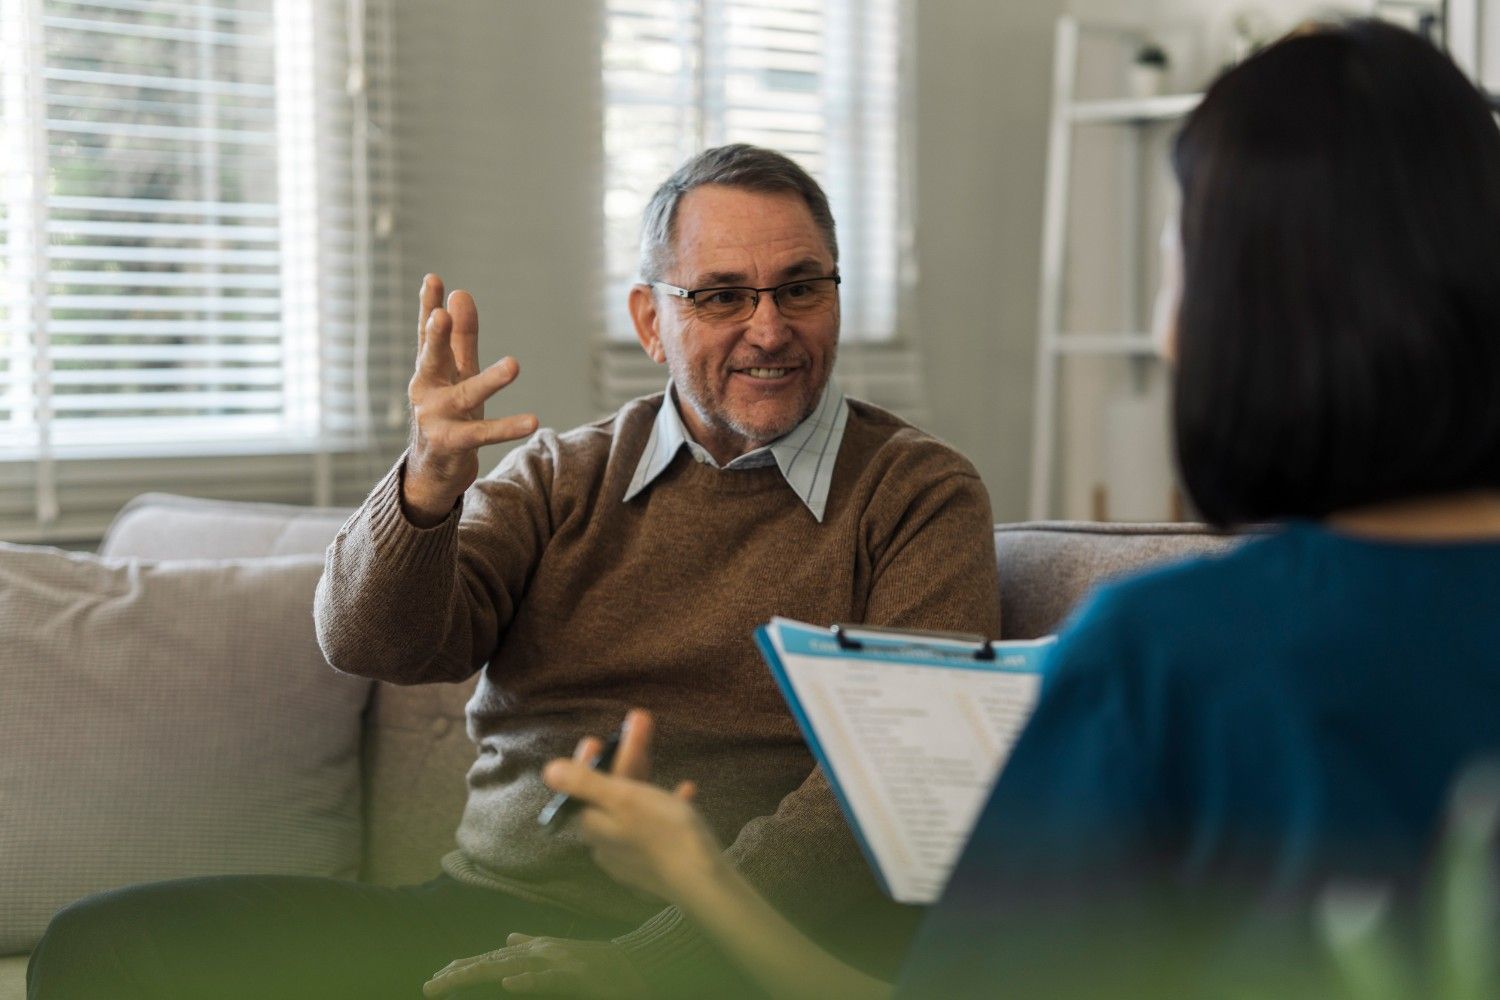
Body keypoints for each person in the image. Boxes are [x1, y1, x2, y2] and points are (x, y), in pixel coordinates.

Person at [504, 20, 1500, 1000]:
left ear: (1239, 318)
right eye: (722, 295)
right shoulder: (564, 474)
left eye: (1174, 263)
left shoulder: (1172, 660)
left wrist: (700, 883)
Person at [25, 144, 1000, 1000]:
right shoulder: (562, 475)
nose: (770, 327)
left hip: (736, 948)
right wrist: (425, 489)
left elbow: (865, 802)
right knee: (107, 945)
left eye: (801, 286)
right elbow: (377, 642)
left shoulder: (919, 495)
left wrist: (652, 966)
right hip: (483, 909)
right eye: (720, 295)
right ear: (652, 322)